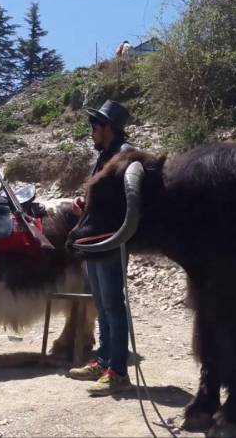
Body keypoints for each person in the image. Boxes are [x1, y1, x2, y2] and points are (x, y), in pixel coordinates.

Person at [68, 100, 135, 396]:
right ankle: (104, 361)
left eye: (96, 126)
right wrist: (85, 204)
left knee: (112, 306)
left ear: (108, 127)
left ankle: (118, 371)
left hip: (110, 241)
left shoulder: (125, 156)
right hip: (94, 241)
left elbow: (128, 201)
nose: (92, 131)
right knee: (102, 304)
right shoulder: (104, 157)